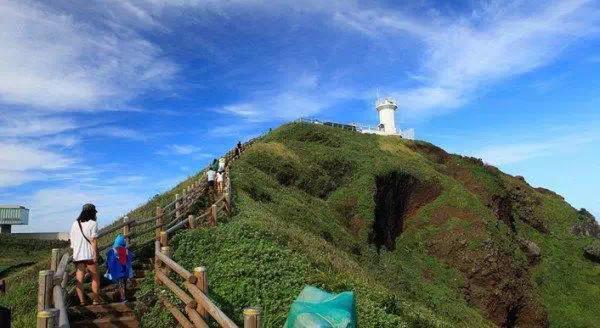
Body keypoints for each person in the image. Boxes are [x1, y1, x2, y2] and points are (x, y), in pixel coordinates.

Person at [70, 203, 101, 305]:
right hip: (89, 255)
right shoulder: (93, 223)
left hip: (78, 256)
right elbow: (93, 241)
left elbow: (72, 242)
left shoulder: (75, 224)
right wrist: (95, 254)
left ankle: (82, 301)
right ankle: (96, 300)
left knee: (79, 280)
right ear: (92, 213)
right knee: (95, 278)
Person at [105, 234, 133, 303]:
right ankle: (123, 298)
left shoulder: (110, 251)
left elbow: (107, 261)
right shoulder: (125, 251)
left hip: (115, 272)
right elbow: (129, 260)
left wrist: (108, 268)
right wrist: (131, 274)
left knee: (120, 284)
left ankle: (123, 297)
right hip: (123, 272)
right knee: (123, 284)